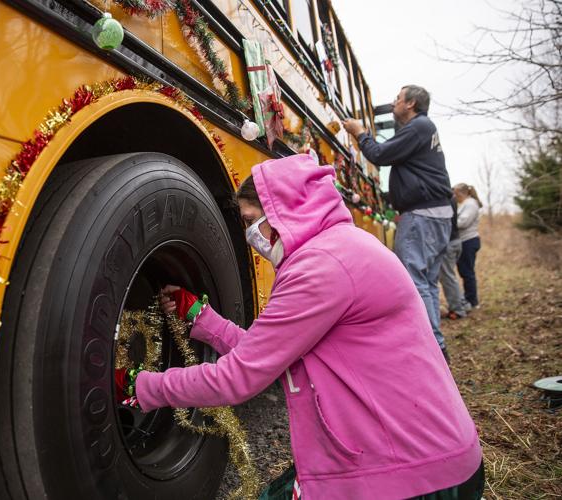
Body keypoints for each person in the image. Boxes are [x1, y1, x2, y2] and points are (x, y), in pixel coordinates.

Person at [121, 155, 484, 499]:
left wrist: (142, 385)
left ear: (280, 211)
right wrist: (203, 318)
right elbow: (271, 353)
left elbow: (237, 377)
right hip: (420, 456)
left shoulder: (320, 267)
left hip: (414, 477)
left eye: (250, 221)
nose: (250, 235)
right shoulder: (339, 248)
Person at [342, 85, 453, 362]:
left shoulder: (419, 127)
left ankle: (431, 348)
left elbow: (380, 155)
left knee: (416, 281)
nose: (394, 104)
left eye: (398, 99)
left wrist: (360, 132)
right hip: (436, 215)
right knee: (426, 282)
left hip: (422, 216)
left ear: (411, 103)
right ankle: (436, 345)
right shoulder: (424, 129)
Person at [454, 183, 482, 309]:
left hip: (469, 241)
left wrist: (449, 221)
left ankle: (472, 300)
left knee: (467, 272)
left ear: (461, 192)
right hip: (464, 241)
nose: (454, 196)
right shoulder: (465, 204)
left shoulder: (470, 204)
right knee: (464, 271)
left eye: (455, 193)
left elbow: (463, 222)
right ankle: (469, 298)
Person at [440, 196, 467, 320]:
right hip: (456, 241)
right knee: (450, 276)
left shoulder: (444, 198)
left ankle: (458, 309)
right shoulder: (452, 197)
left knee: (448, 278)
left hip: (449, 243)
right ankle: (461, 304)